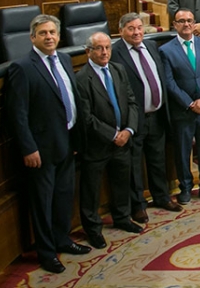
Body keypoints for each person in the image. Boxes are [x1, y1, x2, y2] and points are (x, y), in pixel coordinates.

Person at [5, 14, 90, 274]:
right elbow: (17, 114)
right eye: (43, 33)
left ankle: (62, 240)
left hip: (66, 142)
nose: (49, 37)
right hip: (41, 150)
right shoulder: (22, 67)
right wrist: (28, 148)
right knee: (43, 202)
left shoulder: (64, 59)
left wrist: (76, 138)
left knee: (64, 197)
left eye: (53, 32)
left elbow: (71, 100)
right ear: (32, 37)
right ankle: (46, 252)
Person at [111, 13, 182, 225]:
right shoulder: (115, 53)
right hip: (133, 120)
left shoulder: (151, 47)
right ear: (121, 30)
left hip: (157, 116)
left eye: (139, 28)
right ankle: (138, 205)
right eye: (131, 28)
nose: (136, 32)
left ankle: (161, 197)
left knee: (157, 159)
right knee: (134, 165)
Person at [75, 32, 142, 250]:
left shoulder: (118, 70)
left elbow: (131, 101)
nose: (105, 52)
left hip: (124, 141)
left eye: (107, 48)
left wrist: (129, 130)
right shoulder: (82, 78)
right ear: (88, 52)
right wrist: (113, 135)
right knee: (91, 190)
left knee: (121, 182)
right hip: (97, 146)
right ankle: (93, 230)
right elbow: (86, 118)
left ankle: (122, 218)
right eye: (99, 48)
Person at [160, 8, 200, 204]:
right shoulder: (166, 50)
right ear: (175, 25)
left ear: (195, 23)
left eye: (189, 21)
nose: (186, 24)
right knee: (182, 151)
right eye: (181, 21)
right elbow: (169, 83)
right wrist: (189, 103)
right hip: (183, 111)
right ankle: (185, 188)